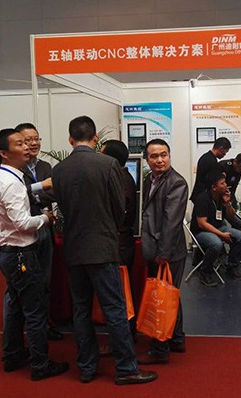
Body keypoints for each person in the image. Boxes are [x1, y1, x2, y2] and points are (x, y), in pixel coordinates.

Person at [52, 116, 157, 385]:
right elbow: (119, 208)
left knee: (80, 309)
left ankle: (86, 367)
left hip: (74, 248)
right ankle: (126, 369)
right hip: (103, 248)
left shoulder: (59, 169)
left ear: (70, 139)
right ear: (96, 138)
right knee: (114, 309)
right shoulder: (108, 164)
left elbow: (62, 206)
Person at [0, 128, 69, 381]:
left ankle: (13, 354)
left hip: (8, 252)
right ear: (4, 153)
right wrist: (46, 218)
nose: (27, 147)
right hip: (21, 253)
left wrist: (1, 231)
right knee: (35, 310)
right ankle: (40, 364)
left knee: (16, 306)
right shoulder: (12, 183)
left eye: (29, 142)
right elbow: (22, 223)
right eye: (20, 144)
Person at [138, 139, 188, 364]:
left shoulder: (176, 182)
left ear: (169, 155)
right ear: (147, 160)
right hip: (155, 247)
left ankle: (159, 350)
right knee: (170, 294)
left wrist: (163, 253)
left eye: (163, 155)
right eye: (154, 156)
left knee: (162, 298)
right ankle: (176, 339)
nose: (160, 160)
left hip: (168, 251)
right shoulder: (149, 179)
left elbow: (172, 222)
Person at [15, 122, 62, 341]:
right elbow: (16, 194)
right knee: (23, 284)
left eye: (36, 139)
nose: (33, 143)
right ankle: (22, 329)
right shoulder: (13, 166)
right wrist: (39, 187)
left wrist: (33, 194)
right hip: (23, 232)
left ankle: (44, 325)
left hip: (45, 227)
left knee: (45, 280)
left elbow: (54, 193)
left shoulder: (45, 166)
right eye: (28, 140)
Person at [100, 139, 137, 348]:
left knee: (119, 297)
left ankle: (122, 342)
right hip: (122, 243)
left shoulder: (119, 180)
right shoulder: (123, 176)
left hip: (119, 245)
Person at [191, 170, 241, 287]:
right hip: (201, 232)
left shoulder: (221, 197)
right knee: (216, 244)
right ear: (214, 187)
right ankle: (205, 271)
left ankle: (232, 267)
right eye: (222, 183)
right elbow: (202, 224)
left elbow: (231, 216)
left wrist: (228, 204)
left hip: (218, 227)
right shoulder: (202, 199)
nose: (226, 185)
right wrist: (221, 235)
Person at [219, 153, 241, 230]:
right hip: (217, 199)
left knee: (238, 222)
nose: (240, 170)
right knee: (222, 225)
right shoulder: (223, 166)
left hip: (228, 196)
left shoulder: (239, 171)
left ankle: (235, 237)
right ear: (235, 161)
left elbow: (233, 188)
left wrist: (232, 203)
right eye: (239, 167)